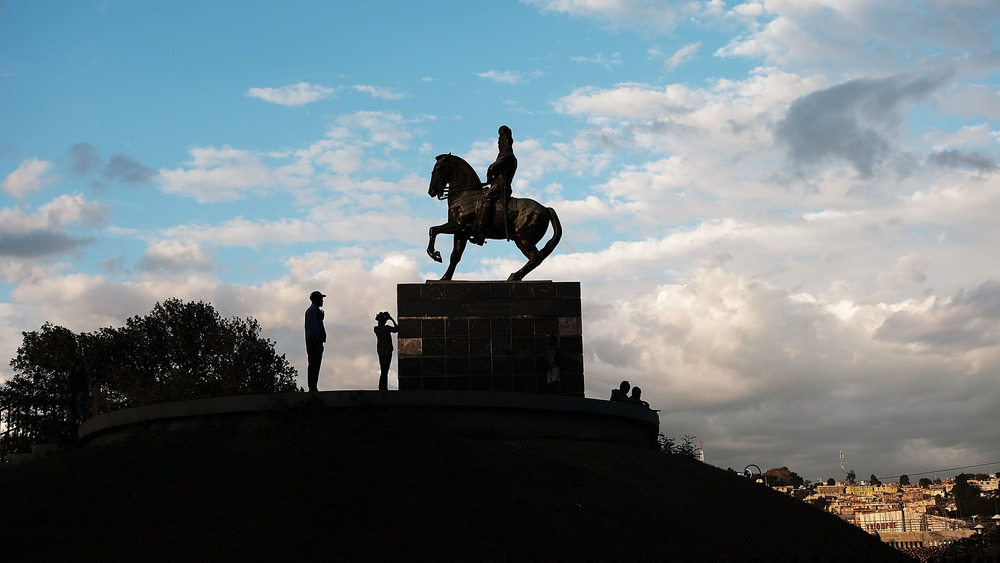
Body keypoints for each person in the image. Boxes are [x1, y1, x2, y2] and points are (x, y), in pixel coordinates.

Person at [470, 125, 517, 245]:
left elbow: (493, 167)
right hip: (499, 184)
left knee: (486, 198)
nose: (498, 142)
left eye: (501, 138)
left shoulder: (506, 155)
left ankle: (481, 231)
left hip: (501, 186)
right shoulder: (507, 155)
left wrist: (489, 174)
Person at [304, 290, 327, 393]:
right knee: (314, 364)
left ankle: (313, 387)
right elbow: (315, 328)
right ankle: (312, 387)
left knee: (314, 364)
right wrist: (318, 341)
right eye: (320, 298)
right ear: (314, 299)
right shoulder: (313, 310)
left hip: (314, 341)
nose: (322, 300)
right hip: (314, 341)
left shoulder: (314, 311)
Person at [373, 311, 398, 391]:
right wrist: (392, 319)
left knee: (383, 370)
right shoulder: (386, 328)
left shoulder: (376, 329)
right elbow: (397, 329)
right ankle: (383, 387)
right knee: (385, 370)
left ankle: (382, 387)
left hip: (380, 351)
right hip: (387, 350)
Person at [68, 359, 89, 424]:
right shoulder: (75, 372)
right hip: (81, 391)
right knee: (82, 408)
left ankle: (70, 420)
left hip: (83, 391)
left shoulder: (81, 372)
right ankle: (85, 422)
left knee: (77, 405)